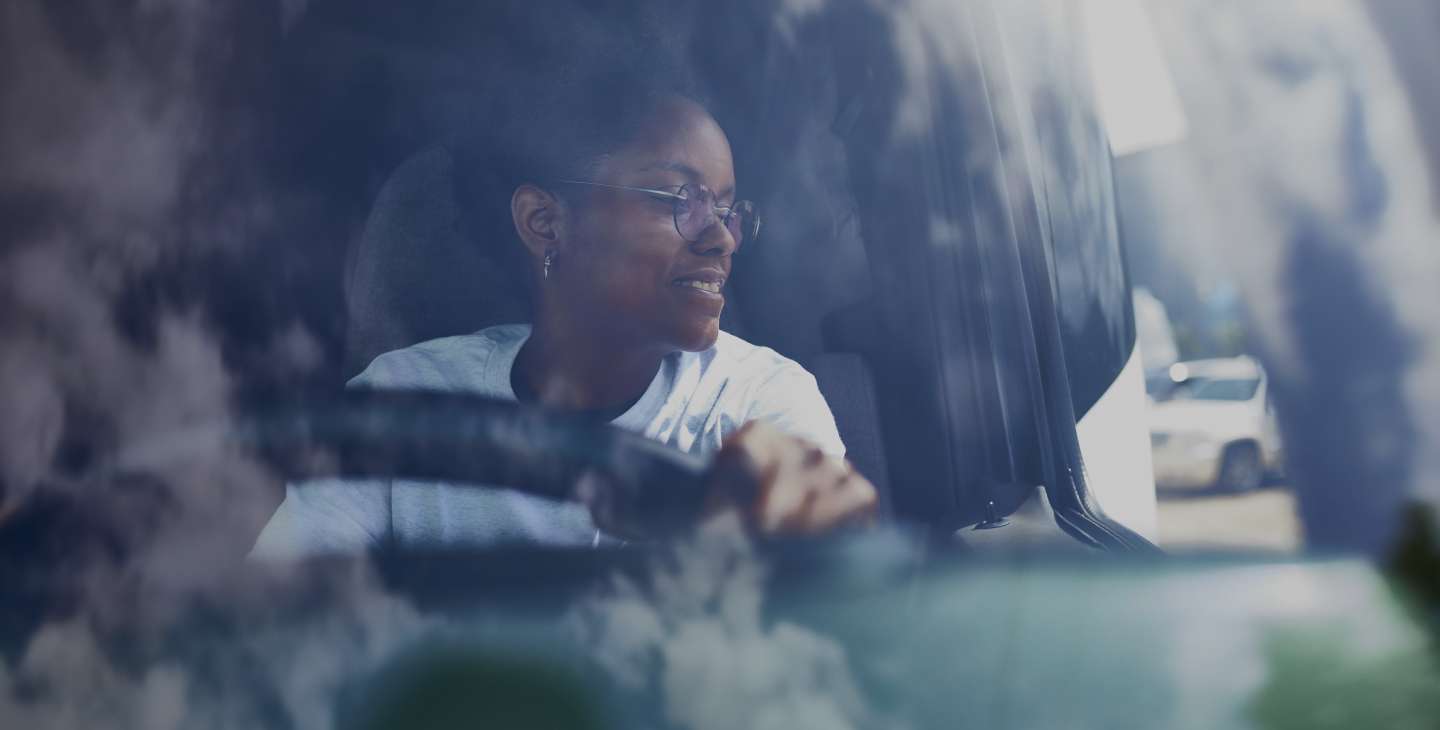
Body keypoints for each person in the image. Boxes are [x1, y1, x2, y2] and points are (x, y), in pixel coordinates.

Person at [250, 66, 877, 558]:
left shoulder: (757, 403)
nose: (723, 238)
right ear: (544, 223)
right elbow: (276, 636)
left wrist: (813, 534)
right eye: (682, 199)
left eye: (728, 210)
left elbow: (841, 620)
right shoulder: (400, 407)